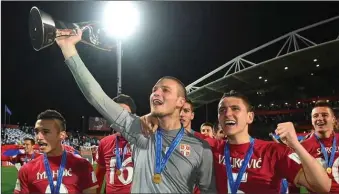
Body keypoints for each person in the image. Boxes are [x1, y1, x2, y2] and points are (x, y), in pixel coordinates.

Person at [55, 29, 215, 193]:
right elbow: (96, 97)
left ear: (181, 102)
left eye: (165, 90)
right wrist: (68, 48)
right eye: (154, 90)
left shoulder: (200, 148)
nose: (156, 93)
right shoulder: (138, 129)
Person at [143, 91, 331, 193]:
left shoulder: (272, 151)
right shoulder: (210, 146)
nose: (228, 114)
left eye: (235, 109)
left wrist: (296, 144)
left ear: (250, 117)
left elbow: (323, 187)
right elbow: (171, 127)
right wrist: (153, 115)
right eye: (222, 110)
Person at [14, 110, 98, 194]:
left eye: (46, 132)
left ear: (61, 135)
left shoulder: (83, 166)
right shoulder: (26, 170)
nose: (38, 137)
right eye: (36, 132)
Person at [290, 100, 339, 193]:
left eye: (324, 115)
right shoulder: (302, 147)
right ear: (312, 121)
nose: (319, 118)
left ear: (333, 119)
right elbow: (293, 181)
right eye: (315, 116)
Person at [95, 94, 137, 194]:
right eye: (115, 113)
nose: (120, 118)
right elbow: (99, 174)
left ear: (133, 116)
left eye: (124, 113)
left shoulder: (145, 141)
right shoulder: (104, 142)